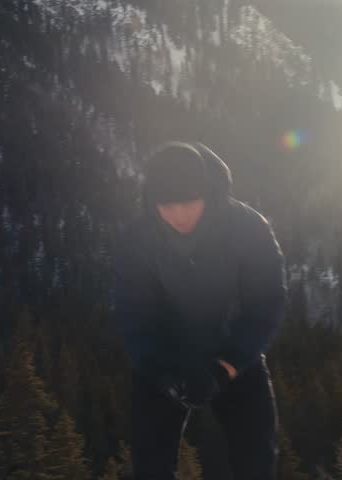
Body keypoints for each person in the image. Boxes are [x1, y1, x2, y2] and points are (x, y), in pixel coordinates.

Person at [112, 141, 287, 479]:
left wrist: (226, 367)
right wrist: (162, 372)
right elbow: (134, 315)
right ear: (152, 201)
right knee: (150, 468)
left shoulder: (248, 228)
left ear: (207, 193)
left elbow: (265, 304)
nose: (179, 215)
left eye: (189, 202)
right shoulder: (136, 239)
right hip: (164, 360)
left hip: (234, 355)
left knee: (257, 463)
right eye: (167, 205)